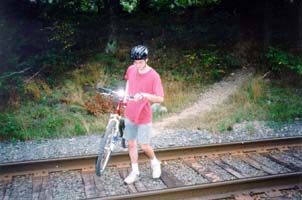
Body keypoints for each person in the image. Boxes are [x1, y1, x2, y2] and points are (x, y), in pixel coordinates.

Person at [123, 45, 164, 184]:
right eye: (135, 62)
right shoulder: (131, 69)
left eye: (140, 62)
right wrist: (125, 97)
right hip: (130, 112)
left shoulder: (154, 76)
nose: (137, 65)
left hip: (144, 115)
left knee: (144, 145)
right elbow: (128, 82)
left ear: (146, 59)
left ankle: (155, 163)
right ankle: (135, 172)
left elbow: (160, 98)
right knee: (131, 144)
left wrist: (144, 95)